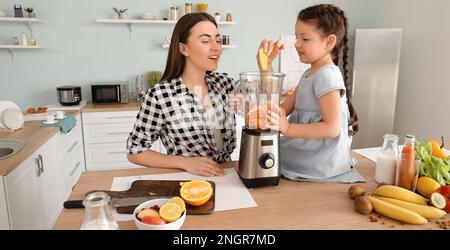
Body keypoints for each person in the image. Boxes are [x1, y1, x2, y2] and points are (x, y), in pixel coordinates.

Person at [259, 4, 364, 182]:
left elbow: (331, 128)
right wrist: (266, 65)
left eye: (305, 39)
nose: (297, 44)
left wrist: (288, 128)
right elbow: (281, 110)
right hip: (303, 155)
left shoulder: (327, 76)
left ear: (329, 42)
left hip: (318, 164)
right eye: (296, 37)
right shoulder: (309, 74)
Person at [127, 13, 238, 177]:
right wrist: (185, 162)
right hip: (188, 180)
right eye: (206, 41)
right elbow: (135, 151)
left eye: (218, 40)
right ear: (183, 48)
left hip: (228, 176)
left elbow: (261, 106)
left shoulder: (224, 84)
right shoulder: (161, 96)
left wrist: (265, 67)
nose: (216, 47)